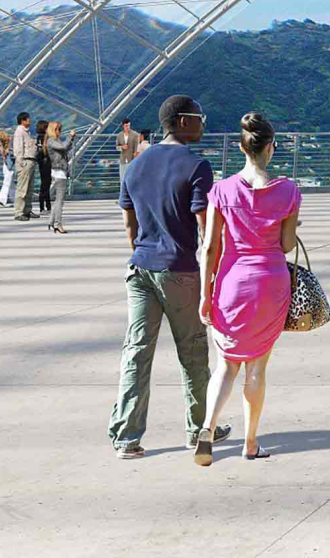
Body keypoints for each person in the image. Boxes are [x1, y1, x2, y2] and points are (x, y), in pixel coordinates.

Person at [108, 94, 227, 460]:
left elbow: (129, 225)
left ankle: (127, 437)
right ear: (182, 122)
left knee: (137, 351)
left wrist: (143, 251)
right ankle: (198, 428)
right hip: (179, 270)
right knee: (191, 351)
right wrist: (211, 277)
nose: (203, 124)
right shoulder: (197, 167)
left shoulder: (135, 166)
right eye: (199, 117)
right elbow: (206, 232)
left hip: (140, 268)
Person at [195, 112, 301, 465]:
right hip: (271, 283)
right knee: (257, 369)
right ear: (270, 147)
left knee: (225, 365)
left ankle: (208, 427)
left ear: (242, 147)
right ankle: (250, 442)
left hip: (231, 284)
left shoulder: (221, 191)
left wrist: (205, 295)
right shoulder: (288, 191)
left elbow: (210, 246)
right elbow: (286, 246)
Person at [45, 120, 71, 233]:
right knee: (60, 201)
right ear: (53, 130)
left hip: (59, 171)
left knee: (57, 200)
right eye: (58, 129)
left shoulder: (54, 141)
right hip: (59, 172)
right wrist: (70, 136)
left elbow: (65, 148)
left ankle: (51, 222)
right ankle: (57, 224)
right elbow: (64, 148)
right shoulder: (51, 141)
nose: (60, 131)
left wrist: (71, 140)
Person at [11, 112, 38, 220]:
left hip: (30, 160)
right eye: (28, 119)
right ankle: (18, 212)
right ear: (23, 121)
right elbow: (18, 148)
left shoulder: (27, 132)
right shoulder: (19, 132)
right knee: (22, 188)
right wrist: (21, 162)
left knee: (29, 188)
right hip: (25, 162)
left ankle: (27, 210)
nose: (30, 121)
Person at [34, 120, 53, 214]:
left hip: (41, 163)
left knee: (44, 184)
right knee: (46, 185)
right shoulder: (46, 137)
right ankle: (45, 207)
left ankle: (46, 207)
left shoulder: (38, 138)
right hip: (47, 163)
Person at [0, 127, 15, 207]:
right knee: (10, 183)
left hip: (6, 165)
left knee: (8, 183)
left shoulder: (3, 143)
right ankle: (4, 199)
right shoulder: (12, 140)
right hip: (11, 164)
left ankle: (5, 199)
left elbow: (3, 156)